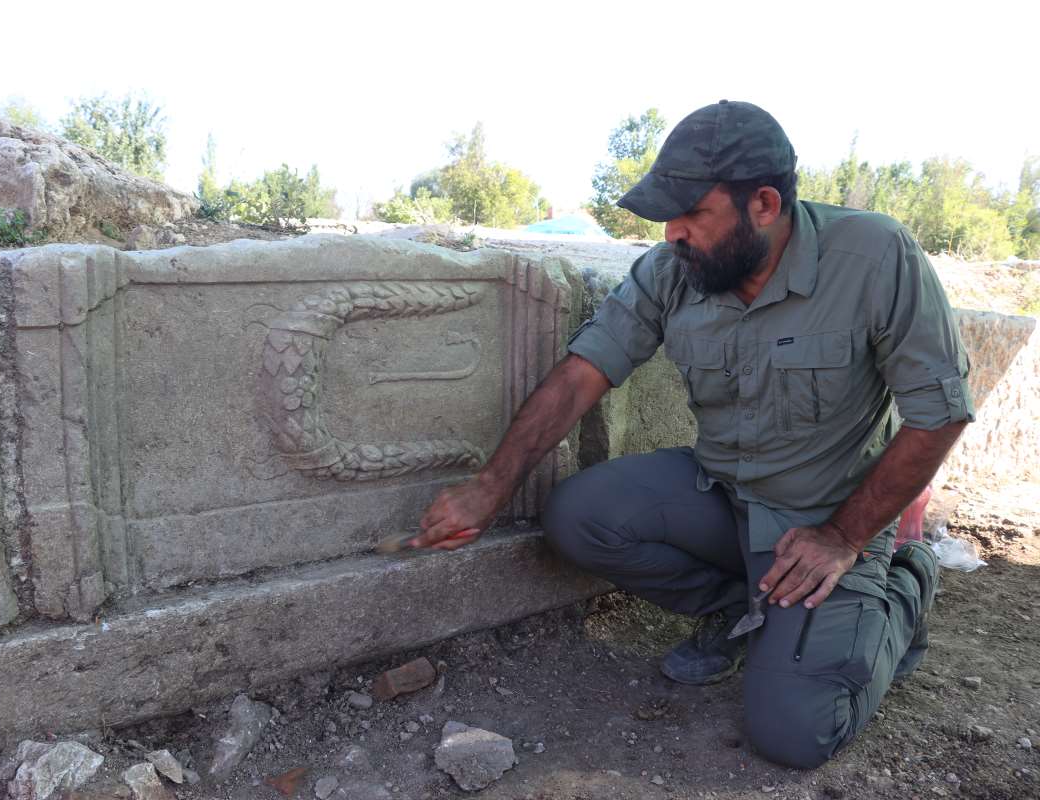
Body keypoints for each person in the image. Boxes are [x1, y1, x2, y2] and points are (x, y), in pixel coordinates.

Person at [412, 100, 974, 769]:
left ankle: (905, 584)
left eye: (693, 214)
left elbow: (939, 412)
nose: (674, 233)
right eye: (667, 217)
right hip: (723, 495)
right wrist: (490, 486)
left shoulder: (875, 256)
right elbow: (582, 373)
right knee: (579, 516)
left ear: (763, 204)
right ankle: (744, 610)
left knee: (795, 733)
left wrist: (846, 537)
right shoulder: (676, 268)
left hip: (821, 524)